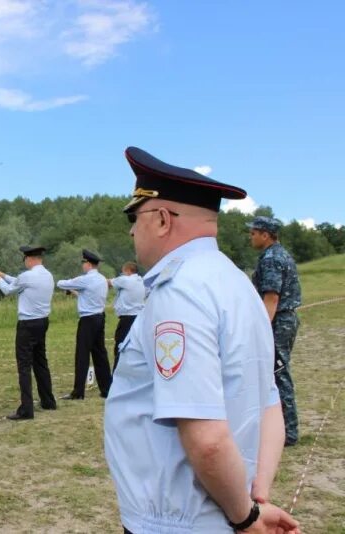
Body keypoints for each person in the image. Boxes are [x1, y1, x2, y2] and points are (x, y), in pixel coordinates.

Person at [104, 147, 299, 533]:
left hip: (176, 521)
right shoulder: (239, 286)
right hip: (222, 510)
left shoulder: (180, 291)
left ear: (161, 219)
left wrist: (247, 517)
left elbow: (206, 439)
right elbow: (268, 403)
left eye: (135, 217)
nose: (131, 230)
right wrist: (255, 498)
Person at [248, 215, 302, 446]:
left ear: (265, 234)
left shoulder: (271, 258)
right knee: (276, 372)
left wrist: (261, 328)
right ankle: (281, 428)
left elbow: (271, 297)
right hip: (283, 320)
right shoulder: (280, 254)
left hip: (277, 322)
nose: (251, 237)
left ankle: (288, 432)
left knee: (277, 373)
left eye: (254, 232)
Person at [0, 246, 57, 420]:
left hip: (27, 325)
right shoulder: (47, 275)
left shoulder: (27, 276)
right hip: (42, 322)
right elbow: (18, 281)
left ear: (29, 258)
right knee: (41, 362)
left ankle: (26, 409)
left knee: (24, 366)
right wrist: (3, 274)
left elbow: (8, 290)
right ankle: (48, 400)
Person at [56, 249, 113, 399]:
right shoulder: (101, 279)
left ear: (88, 263)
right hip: (99, 317)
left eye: (83, 263)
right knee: (100, 354)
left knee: (82, 355)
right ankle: (106, 388)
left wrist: (69, 284)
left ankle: (78, 391)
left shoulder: (86, 279)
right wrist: (75, 291)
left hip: (87, 319)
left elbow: (62, 284)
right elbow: (86, 295)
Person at [107, 261, 145, 372]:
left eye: (123, 272)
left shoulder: (125, 280)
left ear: (127, 271)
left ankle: (118, 372)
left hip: (127, 318)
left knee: (120, 345)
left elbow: (109, 282)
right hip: (139, 317)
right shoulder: (141, 281)